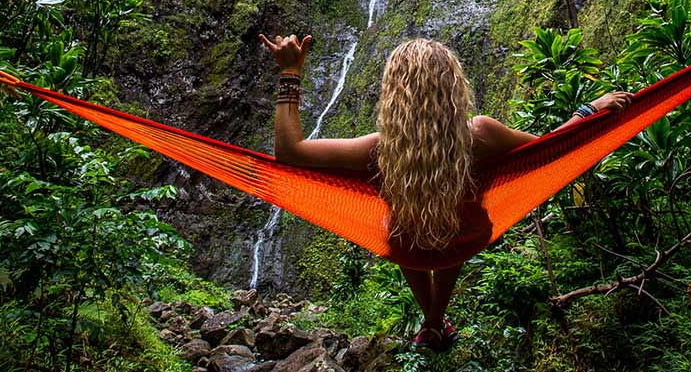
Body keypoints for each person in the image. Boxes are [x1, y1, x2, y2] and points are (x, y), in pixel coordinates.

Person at [258, 32, 633, 352]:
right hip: (464, 238)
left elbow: (290, 152)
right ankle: (435, 323)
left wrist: (290, 72)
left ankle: (432, 322)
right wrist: (589, 109)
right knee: (450, 214)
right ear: (453, 86)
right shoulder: (480, 135)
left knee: (404, 220)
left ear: (393, 95)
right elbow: (549, 148)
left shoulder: (378, 149)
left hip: (407, 245)